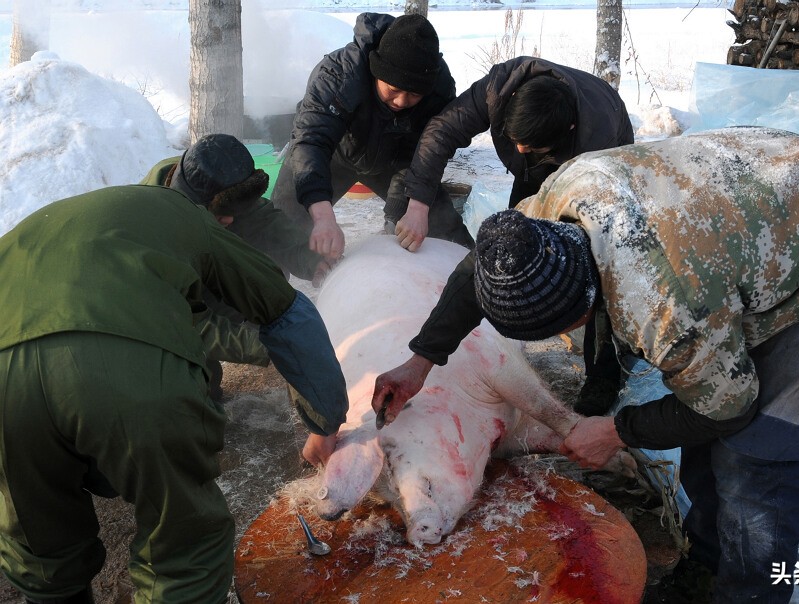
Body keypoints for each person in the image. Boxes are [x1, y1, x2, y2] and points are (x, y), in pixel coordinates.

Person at [370, 127, 799, 602]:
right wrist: (421, 361)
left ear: (584, 306)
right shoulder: (550, 217)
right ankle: (706, 563)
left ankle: (751, 591)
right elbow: (477, 271)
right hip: (757, 217)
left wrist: (616, 431)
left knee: (759, 459)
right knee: (706, 438)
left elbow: (726, 410)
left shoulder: (664, 303)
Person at [0, 173, 349, 601]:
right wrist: (324, 419)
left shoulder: (69, 215)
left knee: (41, 541)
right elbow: (287, 315)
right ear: (214, 210)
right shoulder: (192, 218)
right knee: (183, 547)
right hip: (124, 377)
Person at [397, 55, 636, 416]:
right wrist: (419, 201)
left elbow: (594, 238)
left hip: (594, 166)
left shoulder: (595, 143)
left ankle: (604, 372)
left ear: (566, 131)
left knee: (601, 264)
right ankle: (514, 314)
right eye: (514, 141)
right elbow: (442, 130)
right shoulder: (501, 87)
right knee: (509, 252)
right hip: (540, 163)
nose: (519, 151)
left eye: (530, 147)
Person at [270, 12, 473, 268]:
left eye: (413, 95)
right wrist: (322, 215)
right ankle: (273, 295)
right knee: (278, 227)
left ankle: (477, 289)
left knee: (447, 231)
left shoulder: (438, 86)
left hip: (396, 161)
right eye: (393, 90)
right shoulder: (338, 74)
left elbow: (428, 150)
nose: (401, 101)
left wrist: (408, 206)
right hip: (333, 155)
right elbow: (311, 142)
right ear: (376, 72)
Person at [142, 133, 328, 400]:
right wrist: (264, 347)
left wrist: (310, 258)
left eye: (234, 210)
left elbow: (264, 220)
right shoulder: (154, 231)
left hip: (208, 270)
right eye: (219, 213)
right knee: (192, 390)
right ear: (190, 204)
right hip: (169, 311)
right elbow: (185, 323)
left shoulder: (217, 182)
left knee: (269, 281)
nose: (230, 219)